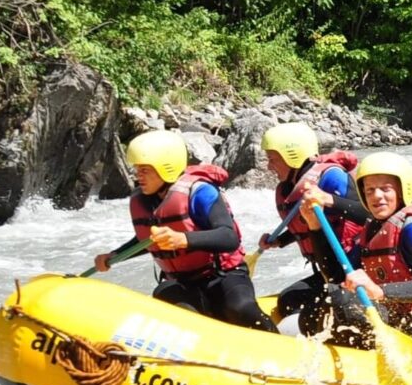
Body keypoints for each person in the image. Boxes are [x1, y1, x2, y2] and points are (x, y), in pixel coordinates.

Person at [94, 130, 278, 332]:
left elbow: (228, 237)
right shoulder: (145, 199)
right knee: (165, 296)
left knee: (241, 308)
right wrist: (115, 256)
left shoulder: (200, 192)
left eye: (145, 170)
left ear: (166, 168)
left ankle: (282, 347)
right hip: (181, 283)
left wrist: (182, 239)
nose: (138, 176)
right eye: (137, 169)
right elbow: (147, 240)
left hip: (224, 276)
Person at [296, 153, 412, 349]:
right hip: (405, 320)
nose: (377, 196)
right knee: (314, 310)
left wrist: (381, 292)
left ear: (401, 190)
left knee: (344, 301)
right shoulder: (373, 229)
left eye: (385, 189)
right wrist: (314, 226)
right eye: (370, 190)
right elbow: (336, 277)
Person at [259, 123, 368, 323]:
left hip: (356, 269)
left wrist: (329, 199)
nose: (269, 166)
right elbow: (306, 225)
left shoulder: (331, 177)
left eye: (273, 159)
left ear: (292, 156)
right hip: (329, 271)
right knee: (288, 300)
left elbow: (369, 215)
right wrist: (280, 241)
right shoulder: (288, 188)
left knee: (319, 306)